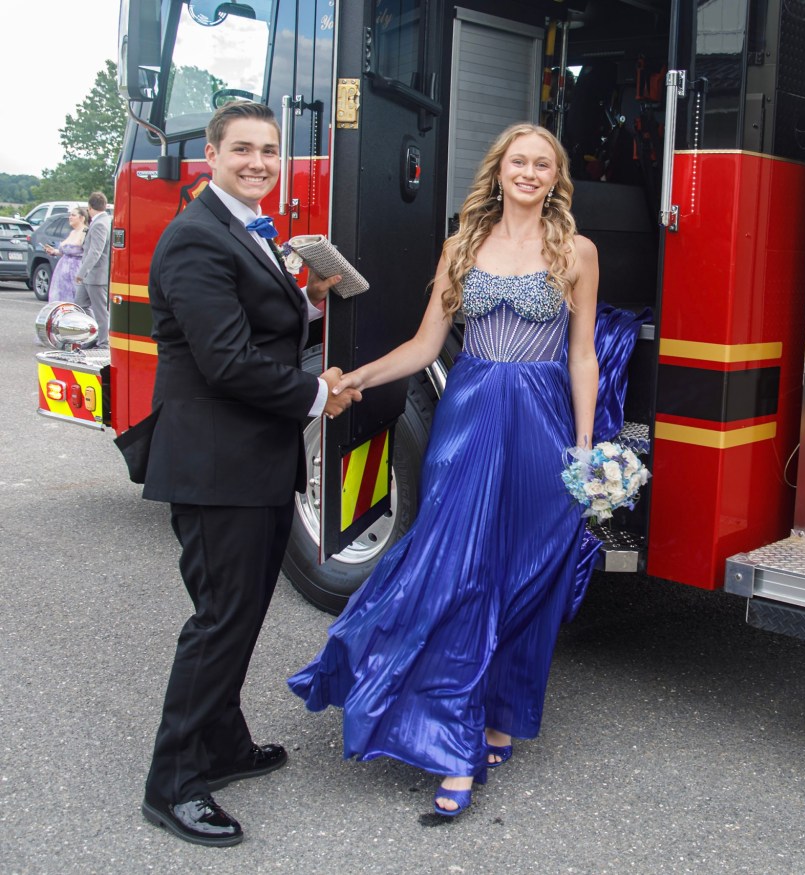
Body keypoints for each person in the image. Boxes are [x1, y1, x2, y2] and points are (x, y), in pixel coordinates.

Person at [288, 122, 601, 818]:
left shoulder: (577, 251)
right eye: (518, 160)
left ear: (555, 177)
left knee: (530, 572)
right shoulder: (463, 245)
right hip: (471, 414)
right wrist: (358, 378)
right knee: (455, 570)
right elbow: (427, 342)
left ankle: (499, 717)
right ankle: (451, 744)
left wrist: (583, 446)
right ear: (498, 170)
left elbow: (583, 354)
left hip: (544, 421)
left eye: (542, 163)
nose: (529, 172)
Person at [138, 101, 355, 847]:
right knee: (220, 621)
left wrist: (307, 299)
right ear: (211, 154)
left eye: (270, 149)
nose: (260, 161)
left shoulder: (245, 228)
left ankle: (223, 743)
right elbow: (226, 361)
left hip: (252, 461)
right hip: (215, 467)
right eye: (243, 150)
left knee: (239, 616)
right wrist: (318, 392)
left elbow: (256, 327)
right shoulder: (196, 240)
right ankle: (173, 783)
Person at [75, 192, 112, 347]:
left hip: (96, 276)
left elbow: (95, 251)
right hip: (93, 276)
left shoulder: (99, 224)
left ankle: (103, 341)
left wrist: (82, 272)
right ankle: (92, 335)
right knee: (80, 305)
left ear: (90, 208)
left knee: (101, 311)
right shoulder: (107, 221)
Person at [42, 206, 89, 303]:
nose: (70, 217)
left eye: (73, 215)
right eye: (70, 215)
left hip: (76, 269)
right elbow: (64, 251)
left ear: (82, 218)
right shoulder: (72, 232)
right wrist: (54, 251)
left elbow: (85, 251)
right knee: (60, 296)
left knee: (75, 296)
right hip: (62, 269)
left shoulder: (85, 232)